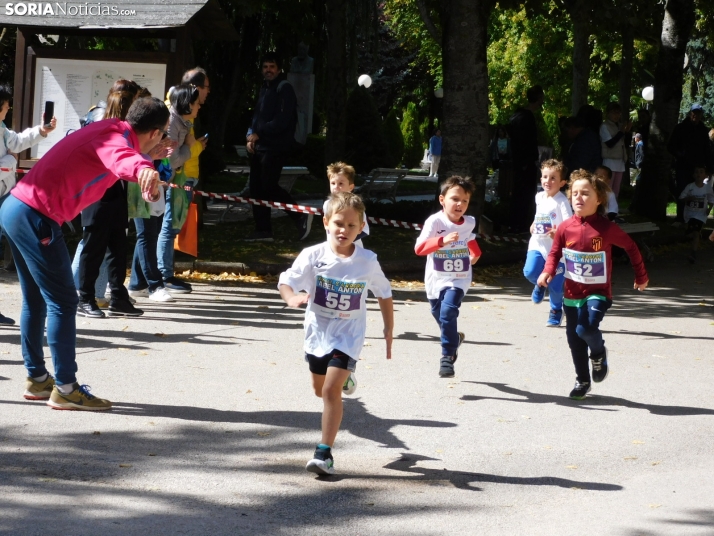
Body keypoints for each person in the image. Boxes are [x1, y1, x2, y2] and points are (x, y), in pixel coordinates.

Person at [1, 97, 167, 410]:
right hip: (36, 214)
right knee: (64, 301)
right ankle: (65, 388)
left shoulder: (110, 128)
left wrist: (145, 160)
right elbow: (122, 159)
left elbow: (122, 158)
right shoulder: (117, 141)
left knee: (37, 300)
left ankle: (38, 380)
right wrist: (144, 166)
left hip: (17, 207)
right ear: (156, 132)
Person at [278, 191, 394, 475]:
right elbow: (286, 281)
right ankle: (345, 379)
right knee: (320, 390)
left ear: (361, 227)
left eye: (352, 226)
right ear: (327, 222)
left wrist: (389, 327)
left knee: (330, 390)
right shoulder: (313, 255)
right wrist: (291, 297)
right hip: (318, 333)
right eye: (339, 223)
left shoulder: (366, 261)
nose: (344, 230)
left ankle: (324, 452)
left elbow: (384, 292)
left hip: (348, 336)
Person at [537, 169, 648, 400]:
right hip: (571, 293)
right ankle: (582, 381)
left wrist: (641, 276)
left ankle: (598, 353)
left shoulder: (606, 228)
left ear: (599, 199)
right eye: (575, 193)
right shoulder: (566, 227)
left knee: (585, 329)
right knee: (574, 340)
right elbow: (555, 253)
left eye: (585, 193)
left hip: (598, 293)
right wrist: (547, 271)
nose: (578, 197)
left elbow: (631, 247)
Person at [75, 80, 147, 318]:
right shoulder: (100, 120)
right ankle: (84, 298)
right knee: (93, 246)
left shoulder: (123, 126)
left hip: (115, 188)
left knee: (117, 245)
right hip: (97, 190)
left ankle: (118, 296)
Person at [0, 83, 57, 325]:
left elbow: (15, 141)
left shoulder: (1, 127)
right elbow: (6, 159)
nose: (8, 108)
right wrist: (11, 161)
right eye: (6, 104)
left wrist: (42, 131)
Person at [415, 176, 481, 378]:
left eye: (465, 201)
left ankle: (447, 356)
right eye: (455, 199)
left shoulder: (469, 222)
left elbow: (470, 241)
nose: (460, 204)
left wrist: (476, 254)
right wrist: (441, 241)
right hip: (436, 278)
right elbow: (419, 249)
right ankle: (454, 338)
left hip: (459, 277)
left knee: (448, 311)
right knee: (439, 313)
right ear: (442, 200)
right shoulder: (435, 221)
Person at [246, 52, 313, 242]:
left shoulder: (285, 89)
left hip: (275, 148)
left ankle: (300, 216)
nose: (268, 70)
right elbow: (257, 117)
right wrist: (250, 137)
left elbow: (282, 121)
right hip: (260, 147)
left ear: (279, 69)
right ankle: (263, 230)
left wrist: (260, 134)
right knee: (256, 189)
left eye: (272, 67)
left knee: (268, 186)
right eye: (265, 67)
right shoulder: (264, 89)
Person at [157, 83, 201, 294]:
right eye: (195, 102)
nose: (199, 106)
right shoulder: (173, 122)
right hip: (166, 180)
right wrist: (190, 147)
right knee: (167, 227)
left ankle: (155, 276)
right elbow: (172, 160)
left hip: (173, 179)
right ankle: (164, 276)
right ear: (186, 103)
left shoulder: (183, 121)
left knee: (167, 226)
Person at [523, 159, 572, 327]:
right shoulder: (539, 197)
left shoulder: (562, 201)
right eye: (545, 177)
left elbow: (569, 223)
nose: (547, 181)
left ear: (562, 183)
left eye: (553, 178)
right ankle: (540, 284)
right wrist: (532, 224)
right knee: (529, 271)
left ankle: (556, 310)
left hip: (557, 250)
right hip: (537, 244)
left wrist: (558, 233)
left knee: (557, 287)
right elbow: (540, 216)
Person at [508, 85, 544, 232]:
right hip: (525, 162)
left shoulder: (517, 116)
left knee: (519, 193)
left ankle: (516, 222)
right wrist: (527, 160)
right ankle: (520, 224)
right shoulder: (527, 118)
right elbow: (526, 142)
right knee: (525, 194)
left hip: (519, 161)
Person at [668, 103, 712, 222]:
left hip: (697, 167)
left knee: (697, 193)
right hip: (683, 166)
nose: (696, 116)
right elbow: (671, 146)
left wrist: (709, 168)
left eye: (698, 113)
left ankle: (694, 217)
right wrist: (680, 154)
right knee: (683, 191)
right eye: (694, 113)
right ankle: (681, 217)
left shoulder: (703, 129)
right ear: (690, 113)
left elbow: (707, 149)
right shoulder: (681, 128)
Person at [322, 162, 370, 247]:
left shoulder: (354, 205)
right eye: (333, 183)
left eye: (341, 184)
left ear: (350, 187)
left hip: (354, 252)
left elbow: (365, 230)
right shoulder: (327, 204)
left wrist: (344, 241)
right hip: (333, 250)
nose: (336, 187)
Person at [679, 165, 714, 263]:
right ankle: (694, 235)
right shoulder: (689, 187)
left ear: (705, 176)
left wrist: (709, 209)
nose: (699, 174)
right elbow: (681, 198)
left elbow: (711, 199)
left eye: (701, 172)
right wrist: (689, 199)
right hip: (689, 214)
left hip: (700, 214)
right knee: (690, 234)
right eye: (697, 172)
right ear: (694, 175)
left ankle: (693, 254)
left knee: (695, 233)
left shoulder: (707, 188)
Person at [599, 102, 631, 197]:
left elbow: (625, 142)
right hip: (609, 160)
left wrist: (627, 132)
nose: (616, 115)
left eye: (618, 113)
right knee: (608, 189)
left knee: (616, 190)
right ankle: (606, 210)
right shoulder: (605, 126)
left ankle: (614, 209)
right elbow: (610, 143)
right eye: (613, 112)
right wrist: (622, 132)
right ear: (608, 113)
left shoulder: (619, 125)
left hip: (620, 160)